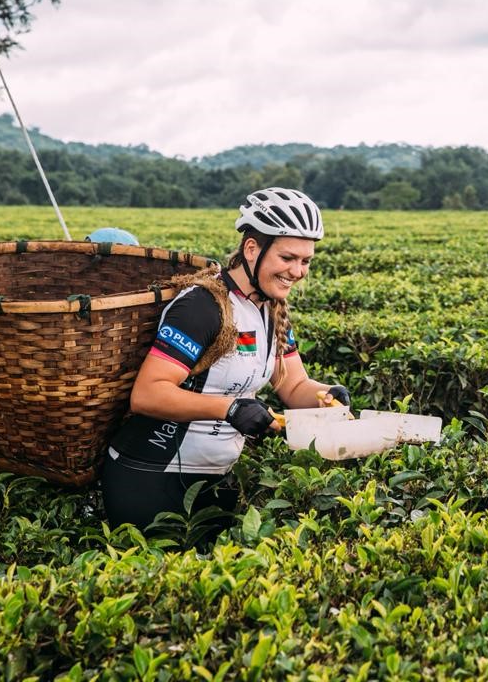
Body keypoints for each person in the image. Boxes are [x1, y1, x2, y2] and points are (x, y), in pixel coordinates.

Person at [101, 188, 349, 535]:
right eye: (288, 257)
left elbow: (292, 385)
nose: (298, 271)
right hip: (150, 476)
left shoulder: (272, 311)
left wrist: (328, 394)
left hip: (216, 481)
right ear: (252, 249)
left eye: (305, 261)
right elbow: (148, 395)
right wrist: (230, 409)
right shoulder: (202, 306)